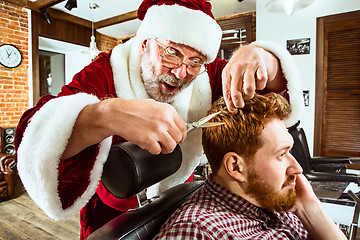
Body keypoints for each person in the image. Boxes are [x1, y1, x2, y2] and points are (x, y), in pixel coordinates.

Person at [15, 0, 304, 239]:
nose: (181, 72)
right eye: (172, 53)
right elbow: (33, 136)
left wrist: (260, 57)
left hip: (180, 203)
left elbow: (276, 97)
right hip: (111, 215)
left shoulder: (209, 74)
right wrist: (106, 113)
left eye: (194, 61)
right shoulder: (106, 71)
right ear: (144, 44)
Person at [154, 94, 346, 240]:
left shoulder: (271, 198)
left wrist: (309, 209)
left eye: (289, 152)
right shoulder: (196, 232)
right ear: (236, 167)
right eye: (281, 154)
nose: (297, 168)